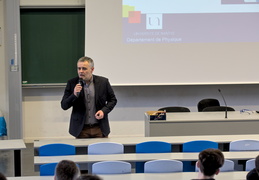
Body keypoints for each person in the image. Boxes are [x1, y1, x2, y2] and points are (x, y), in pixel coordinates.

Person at [61, 56, 117, 138]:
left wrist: (103, 111)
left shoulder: (103, 82)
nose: (81, 71)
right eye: (79, 68)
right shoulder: (72, 83)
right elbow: (64, 105)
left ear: (92, 69)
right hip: (81, 129)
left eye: (84, 69)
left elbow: (113, 100)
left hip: (100, 128)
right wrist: (74, 94)